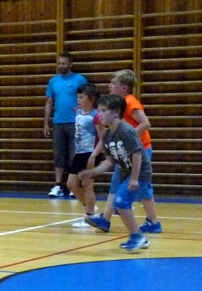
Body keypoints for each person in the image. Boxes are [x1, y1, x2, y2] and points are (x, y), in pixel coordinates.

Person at [85, 70, 162, 234]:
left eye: (114, 83)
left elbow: (145, 123)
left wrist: (128, 138)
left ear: (124, 88)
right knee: (143, 188)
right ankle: (153, 222)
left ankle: (105, 219)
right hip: (132, 150)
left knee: (122, 182)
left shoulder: (130, 102)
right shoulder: (118, 105)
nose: (110, 86)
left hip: (138, 150)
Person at [79, 94, 151, 252]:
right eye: (99, 110)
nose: (99, 114)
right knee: (120, 203)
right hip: (126, 173)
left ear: (116, 112)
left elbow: (137, 154)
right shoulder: (107, 135)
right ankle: (138, 237)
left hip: (140, 173)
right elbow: (110, 161)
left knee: (121, 202)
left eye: (104, 110)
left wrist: (134, 179)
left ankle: (137, 237)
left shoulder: (125, 130)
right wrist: (92, 172)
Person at [44, 52, 87, 197]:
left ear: (70, 64)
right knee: (59, 155)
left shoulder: (79, 79)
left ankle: (75, 185)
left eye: (63, 63)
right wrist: (46, 123)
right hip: (58, 123)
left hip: (76, 122)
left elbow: (87, 97)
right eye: (59, 63)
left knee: (75, 155)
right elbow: (49, 102)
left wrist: (82, 112)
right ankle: (58, 186)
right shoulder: (53, 81)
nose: (61, 66)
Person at [66, 83, 105, 227]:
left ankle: (89, 217)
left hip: (91, 153)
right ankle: (90, 207)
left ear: (91, 99)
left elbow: (103, 138)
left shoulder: (96, 116)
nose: (78, 100)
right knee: (71, 184)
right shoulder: (78, 113)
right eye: (78, 97)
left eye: (81, 97)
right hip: (79, 153)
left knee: (87, 185)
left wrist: (94, 155)